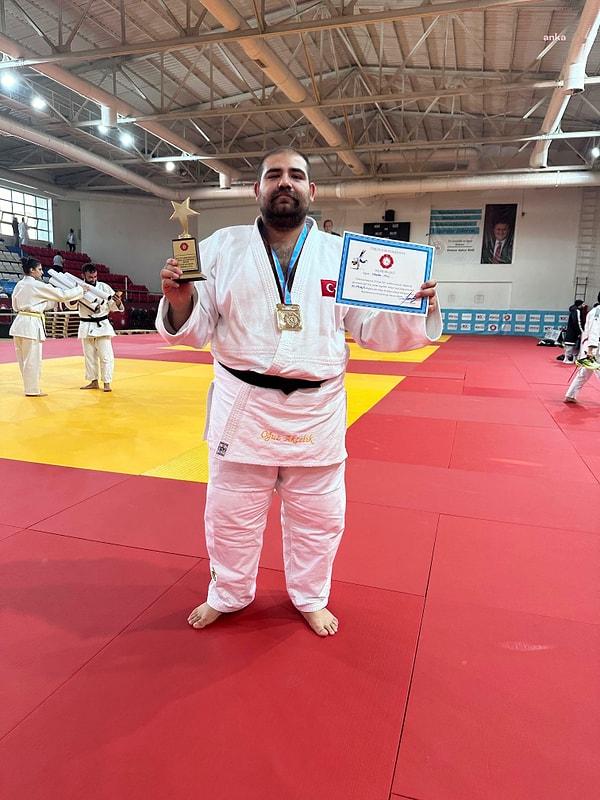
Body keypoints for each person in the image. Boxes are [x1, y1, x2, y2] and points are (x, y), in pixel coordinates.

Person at [156, 146, 442, 637]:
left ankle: (310, 596)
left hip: (317, 409)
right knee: (230, 516)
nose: (284, 182)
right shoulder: (221, 247)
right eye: (273, 175)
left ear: (311, 189)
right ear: (257, 189)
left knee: (320, 518)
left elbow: (370, 328)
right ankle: (229, 593)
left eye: (294, 175)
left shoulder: (342, 254)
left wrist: (415, 307)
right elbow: (197, 327)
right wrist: (181, 302)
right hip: (243, 406)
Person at [9, 256, 84, 396]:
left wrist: (50, 302)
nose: (42, 272)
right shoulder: (36, 285)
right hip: (31, 324)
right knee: (32, 359)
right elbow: (61, 295)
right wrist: (79, 290)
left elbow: (17, 304)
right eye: (39, 269)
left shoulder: (20, 284)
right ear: (32, 270)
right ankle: (32, 390)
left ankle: (29, 387)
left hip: (19, 323)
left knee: (23, 360)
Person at [65, 263, 124, 392]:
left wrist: (118, 302)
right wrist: (77, 296)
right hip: (86, 325)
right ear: (83, 275)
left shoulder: (104, 287)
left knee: (106, 355)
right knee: (89, 356)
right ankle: (93, 381)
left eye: (95, 276)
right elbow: (70, 305)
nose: (93, 279)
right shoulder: (78, 287)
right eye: (90, 277)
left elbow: (113, 306)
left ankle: (107, 382)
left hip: (102, 325)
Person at [564, 292, 600, 404]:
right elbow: (594, 331)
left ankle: (571, 395)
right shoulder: (597, 312)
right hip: (593, 347)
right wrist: (591, 349)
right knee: (589, 372)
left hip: (593, 346)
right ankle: (570, 395)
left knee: (584, 373)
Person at [561, 299, 586, 364]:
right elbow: (578, 322)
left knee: (576, 346)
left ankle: (574, 359)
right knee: (570, 346)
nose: (584, 305)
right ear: (580, 305)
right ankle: (566, 359)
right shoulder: (576, 311)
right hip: (573, 332)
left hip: (575, 332)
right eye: (583, 304)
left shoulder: (577, 311)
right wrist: (580, 332)